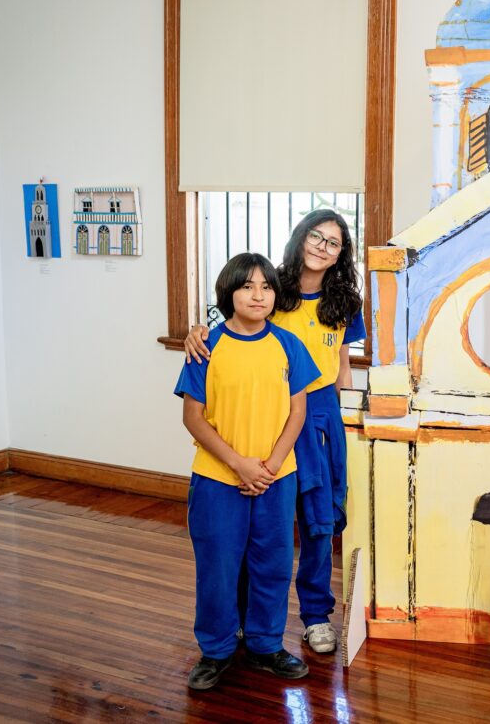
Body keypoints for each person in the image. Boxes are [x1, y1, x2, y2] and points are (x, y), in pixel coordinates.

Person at [184, 209, 365, 655]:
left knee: (319, 521)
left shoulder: (346, 301)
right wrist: (196, 330)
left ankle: (316, 616)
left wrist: (341, 416)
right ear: (301, 238)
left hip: (317, 412)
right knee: (255, 516)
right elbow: (232, 313)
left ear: (342, 253)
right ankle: (244, 621)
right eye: (316, 237)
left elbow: (342, 365)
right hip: (270, 414)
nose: (323, 247)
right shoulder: (273, 288)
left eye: (334, 242)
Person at [175, 252, 320, 690]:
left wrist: (272, 465)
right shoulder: (207, 346)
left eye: (267, 287)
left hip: (276, 478)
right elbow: (193, 418)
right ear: (229, 293)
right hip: (220, 478)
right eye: (247, 286)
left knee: (273, 563)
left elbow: (298, 412)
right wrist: (239, 464)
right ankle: (216, 650)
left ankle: (265, 644)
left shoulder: (289, 345)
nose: (258, 295)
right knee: (218, 566)